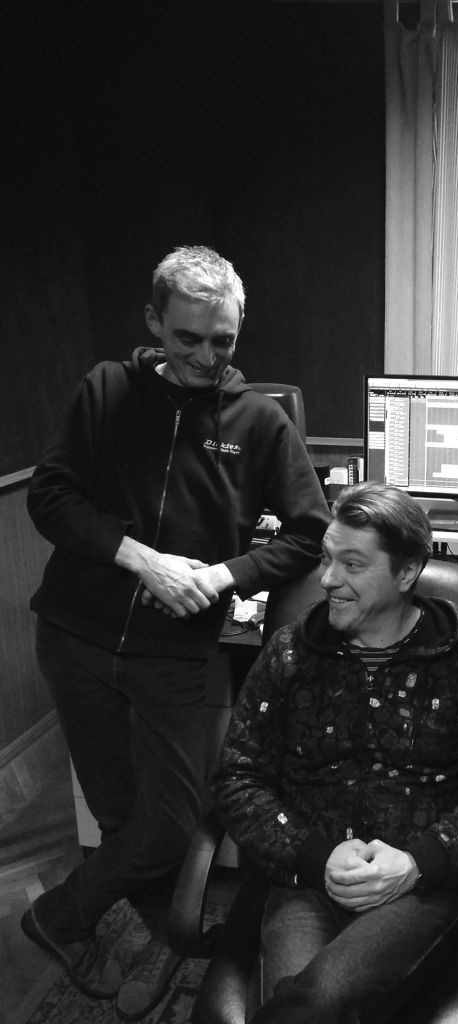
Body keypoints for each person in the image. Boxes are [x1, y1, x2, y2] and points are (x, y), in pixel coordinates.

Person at [22, 245, 330, 1021]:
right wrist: (142, 559)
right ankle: (157, 945)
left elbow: (310, 532)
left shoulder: (259, 422)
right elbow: (49, 497)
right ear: (154, 322)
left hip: (176, 653)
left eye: (222, 341)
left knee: (170, 822)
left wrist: (224, 575)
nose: (204, 357)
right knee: (120, 816)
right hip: (75, 637)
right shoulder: (105, 390)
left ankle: (60, 915)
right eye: (187, 338)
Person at [212, 481, 458, 1024]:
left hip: (416, 886)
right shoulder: (289, 653)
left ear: (407, 572)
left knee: (320, 999)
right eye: (327, 559)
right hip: (307, 878)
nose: (328, 579)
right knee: (310, 1001)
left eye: (352, 565)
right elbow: (238, 778)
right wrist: (314, 855)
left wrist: (418, 863)